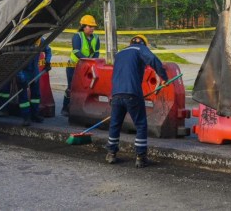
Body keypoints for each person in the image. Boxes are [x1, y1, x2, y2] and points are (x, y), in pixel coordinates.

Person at [106, 35, 168, 168]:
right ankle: (140, 157)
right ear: (143, 43)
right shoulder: (140, 49)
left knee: (115, 124)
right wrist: (163, 77)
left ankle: (111, 153)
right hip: (132, 93)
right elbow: (152, 59)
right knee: (140, 124)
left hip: (116, 94)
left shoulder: (120, 53)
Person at [63, 15, 100, 115]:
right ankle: (65, 108)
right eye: (90, 26)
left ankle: (78, 108)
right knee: (71, 88)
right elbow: (76, 51)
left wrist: (92, 62)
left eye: (93, 26)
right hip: (73, 67)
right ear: (83, 26)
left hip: (87, 67)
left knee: (85, 88)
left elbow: (96, 52)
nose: (92, 28)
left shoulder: (96, 37)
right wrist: (88, 61)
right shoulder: (77, 36)